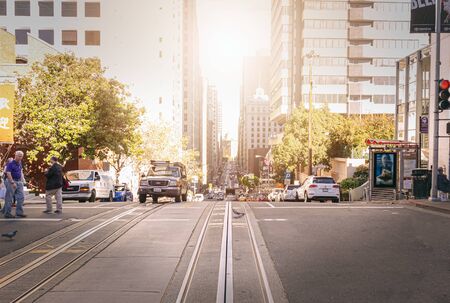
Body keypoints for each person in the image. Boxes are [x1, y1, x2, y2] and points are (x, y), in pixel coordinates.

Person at [3, 151, 26, 218]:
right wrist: (12, 182)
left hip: (19, 182)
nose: (20, 157)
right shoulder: (10, 163)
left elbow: (20, 171)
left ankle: (19, 213)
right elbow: (8, 173)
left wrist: (22, 180)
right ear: (15, 155)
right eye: (19, 156)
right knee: (9, 198)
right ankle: (7, 213)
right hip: (12, 181)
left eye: (21, 156)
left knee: (21, 197)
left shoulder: (20, 163)